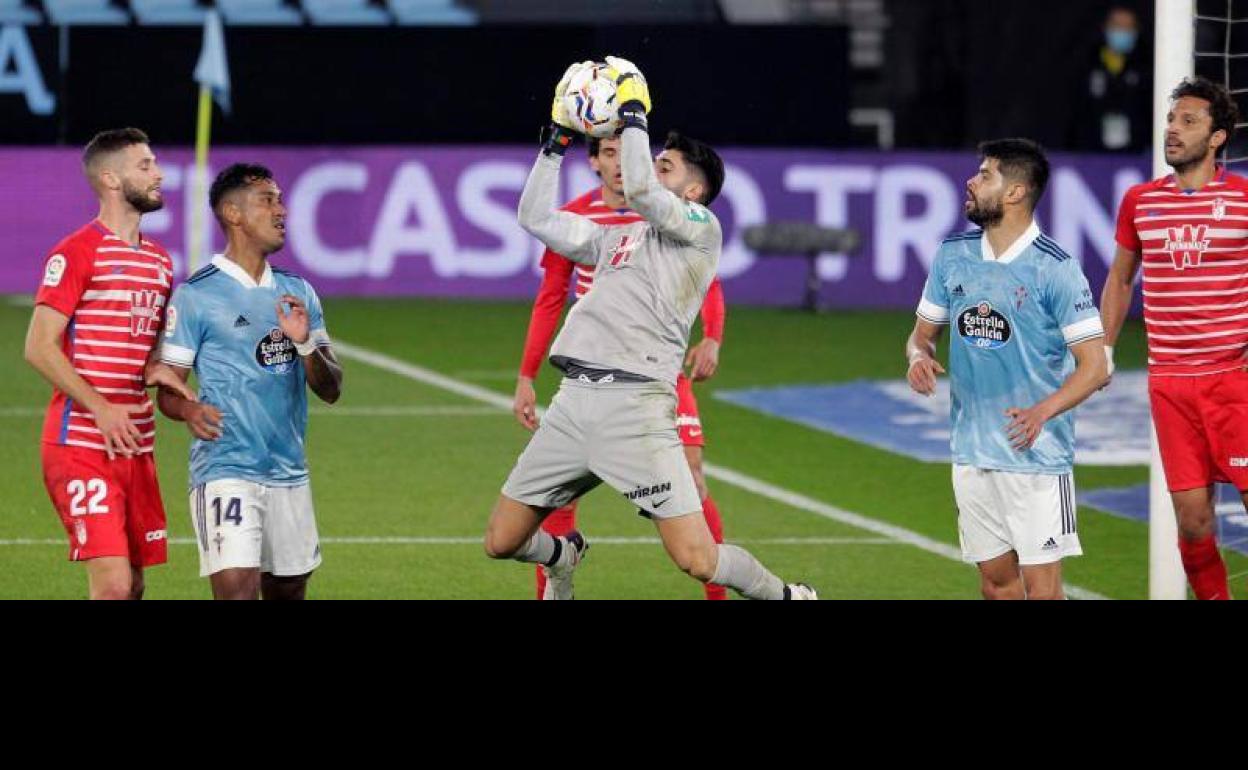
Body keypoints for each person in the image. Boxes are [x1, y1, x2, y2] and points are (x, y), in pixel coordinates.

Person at [485, 58, 815, 600]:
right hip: (572, 404)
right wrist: (555, 143)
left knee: (697, 558)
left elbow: (639, 188)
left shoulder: (702, 232)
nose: (649, 167)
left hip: (637, 410)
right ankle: (563, 556)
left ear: (693, 192)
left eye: (666, 165)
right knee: (500, 541)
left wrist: (634, 111)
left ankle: (785, 595)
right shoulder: (617, 238)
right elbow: (534, 218)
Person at [513, 134, 730, 600]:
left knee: (691, 480)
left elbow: (706, 281)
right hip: (593, 371)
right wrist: (527, 373)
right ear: (592, 161)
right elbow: (551, 295)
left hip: (656, 371)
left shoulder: (668, 214)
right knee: (558, 494)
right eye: (608, 153)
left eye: (624, 152)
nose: (622, 164)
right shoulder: (585, 218)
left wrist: (712, 334)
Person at [905, 138, 1108, 600]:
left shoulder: (1055, 268)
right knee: (996, 587)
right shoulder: (952, 254)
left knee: (1043, 591)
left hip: (1035, 457)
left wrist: (1041, 413)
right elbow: (922, 334)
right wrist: (918, 357)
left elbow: (1094, 366)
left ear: (1015, 193)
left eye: (985, 175)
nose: (971, 182)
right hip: (972, 450)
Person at [158, 163, 343, 600]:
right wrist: (189, 409)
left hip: (289, 471)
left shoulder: (299, 292)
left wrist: (303, 345)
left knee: (289, 591)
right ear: (233, 213)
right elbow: (168, 388)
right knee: (237, 593)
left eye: (279, 199)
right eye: (268, 200)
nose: (282, 209)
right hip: (225, 468)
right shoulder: (197, 295)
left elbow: (332, 388)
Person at [24, 127, 195, 600]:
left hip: (136, 444)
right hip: (81, 442)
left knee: (135, 584)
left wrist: (157, 368)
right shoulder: (77, 251)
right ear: (111, 179)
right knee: (114, 587)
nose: (158, 173)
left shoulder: (160, 262)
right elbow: (38, 346)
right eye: (145, 165)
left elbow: (143, 345)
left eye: (155, 163)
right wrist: (98, 405)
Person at [1101, 76, 1248, 600]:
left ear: (1217, 138)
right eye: (1171, 119)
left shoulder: (1243, 199)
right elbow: (1120, 279)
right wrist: (1104, 349)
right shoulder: (1140, 202)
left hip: (1234, 379)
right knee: (1192, 521)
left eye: (1189, 122)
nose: (1173, 130)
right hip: (1170, 383)